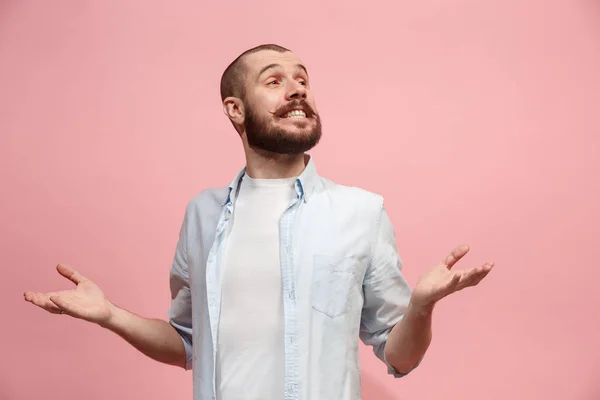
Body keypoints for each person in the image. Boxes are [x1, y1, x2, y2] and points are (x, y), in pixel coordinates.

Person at [24, 44, 494, 400]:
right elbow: (187, 344)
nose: (298, 90)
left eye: (303, 80)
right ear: (235, 110)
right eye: (274, 81)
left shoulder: (361, 212)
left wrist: (422, 306)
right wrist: (110, 316)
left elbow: (400, 355)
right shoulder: (202, 214)